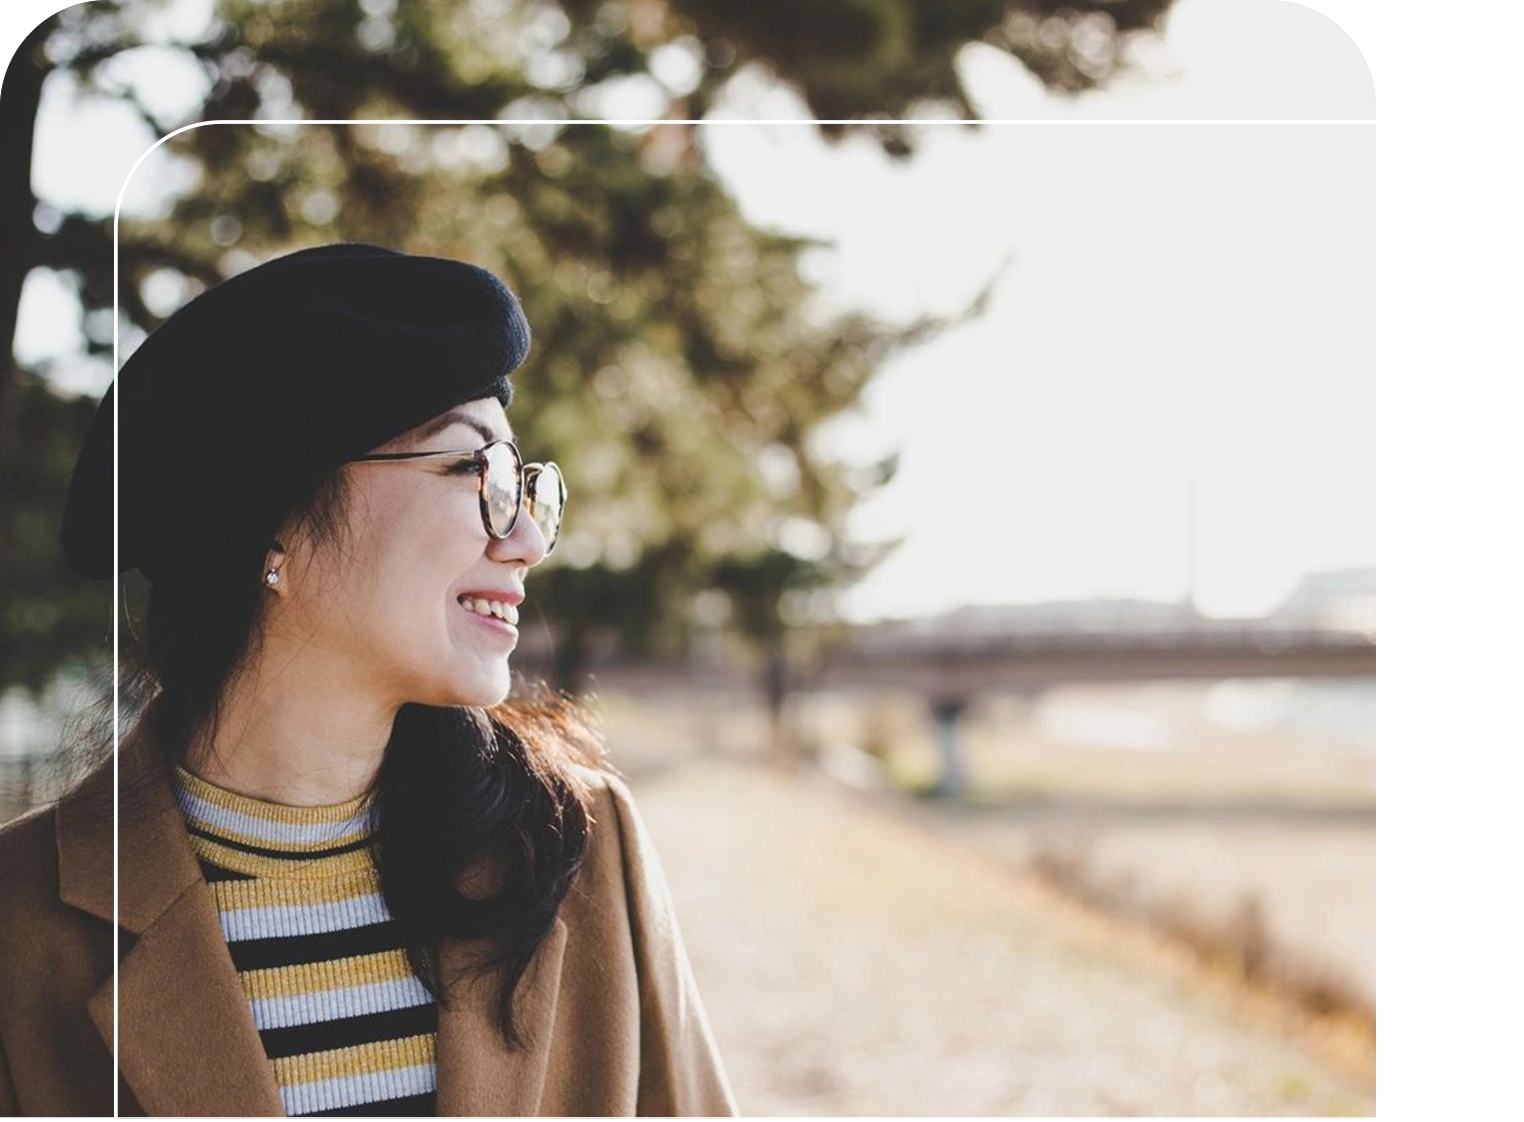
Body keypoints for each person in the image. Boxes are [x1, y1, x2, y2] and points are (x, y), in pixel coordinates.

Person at [0, 243, 739, 1118]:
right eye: (479, 473)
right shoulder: (23, 924)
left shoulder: (581, 846)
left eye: (527, 484)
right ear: (273, 524)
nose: (529, 540)